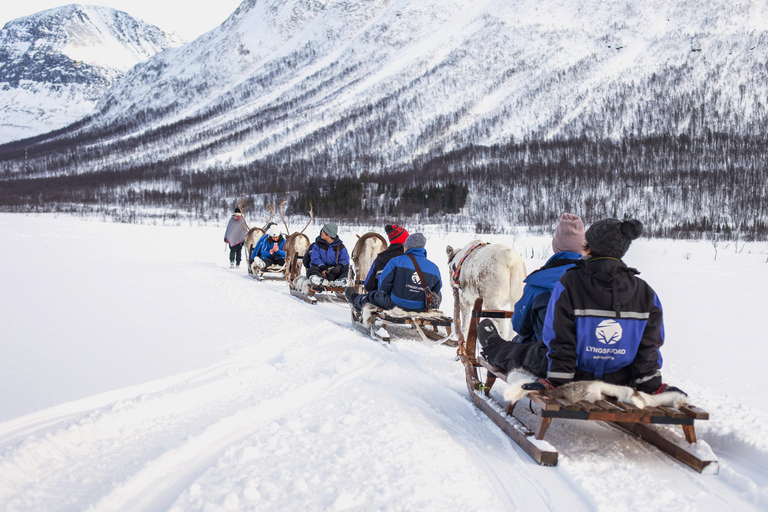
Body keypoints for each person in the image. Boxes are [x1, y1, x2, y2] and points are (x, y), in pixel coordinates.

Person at [479, 218, 682, 396]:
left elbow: (556, 338)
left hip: (571, 372)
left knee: (520, 353)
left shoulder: (570, 283)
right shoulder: (645, 291)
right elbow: (650, 345)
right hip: (620, 376)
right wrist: (649, 382)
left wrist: (557, 379)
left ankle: (494, 346)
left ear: (589, 245)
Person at [504, 213, 587, 345]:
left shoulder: (538, 283)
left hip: (543, 354)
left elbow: (519, 326)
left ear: (556, 246)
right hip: (588, 353)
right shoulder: (597, 279)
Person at [345, 233, 442, 312]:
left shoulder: (395, 262)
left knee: (373, 296)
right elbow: (436, 291)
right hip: (422, 307)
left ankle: (356, 300)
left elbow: (383, 287)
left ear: (406, 247)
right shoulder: (435, 268)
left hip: (396, 304)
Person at [363, 224, 409, 292]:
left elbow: (368, 286)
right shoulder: (412, 258)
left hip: (383, 299)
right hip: (408, 299)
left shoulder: (379, 259)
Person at [307, 222, 350, 287]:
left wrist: (338, 267)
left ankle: (342, 281)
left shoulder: (340, 247)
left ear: (329, 234)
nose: (321, 232)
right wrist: (322, 268)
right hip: (320, 270)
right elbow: (315, 258)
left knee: (347, 270)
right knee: (312, 269)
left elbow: (345, 260)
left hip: (334, 272)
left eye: (323, 231)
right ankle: (319, 280)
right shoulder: (317, 245)